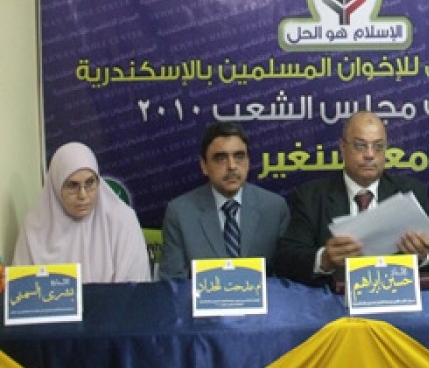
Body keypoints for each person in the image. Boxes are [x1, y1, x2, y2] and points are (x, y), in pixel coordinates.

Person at [274, 111, 429, 287]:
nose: (370, 155)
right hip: (335, 296)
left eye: (378, 146)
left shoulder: (410, 190)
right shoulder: (311, 196)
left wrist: (423, 255)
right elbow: (287, 259)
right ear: (343, 148)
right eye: (360, 146)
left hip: (392, 291)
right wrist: (324, 259)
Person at [159, 121, 289, 280]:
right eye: (221, 158)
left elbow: (286, 277)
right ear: (204, 166)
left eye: (239, 156)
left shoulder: (275, 208)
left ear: (248, 162)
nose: (232, 166)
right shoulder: (180, 213)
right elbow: (173, 282)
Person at [13, 142, 151, 283]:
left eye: (90, 183)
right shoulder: (34, 227)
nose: (83, 195)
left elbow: (134, 286)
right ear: (56, 186)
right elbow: (20, 286)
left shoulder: (123, 221)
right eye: (73, 186)